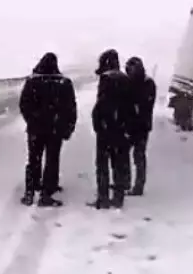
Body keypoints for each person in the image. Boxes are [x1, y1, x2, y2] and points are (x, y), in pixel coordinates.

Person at [18, 52, 77, 207]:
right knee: (52, 160)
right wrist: (68, 126)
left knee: (33, 159)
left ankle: (30, 191)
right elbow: (70, 107)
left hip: (35, 129)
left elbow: (24, 104)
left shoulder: (32, 81)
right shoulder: (63, 82)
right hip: (55, 129)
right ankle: (47, 193)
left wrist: (31, 120)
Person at [90, 48, 132, 209]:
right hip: (121, 129)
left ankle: (103, 197)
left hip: (106, 129)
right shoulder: (125, 79)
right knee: (119, 163)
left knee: (102, 164)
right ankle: (118, 197)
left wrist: (98, 124)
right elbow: (130, 106)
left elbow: (101, 105)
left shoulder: (106, 79)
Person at [123, 56, 157, 196]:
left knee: (137, 156)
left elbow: (144, 104)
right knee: (130, 155)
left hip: (139, 125)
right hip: (135, 125)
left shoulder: (145, 83)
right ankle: (128, 183)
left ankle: (136, 185)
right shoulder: (141, 82)